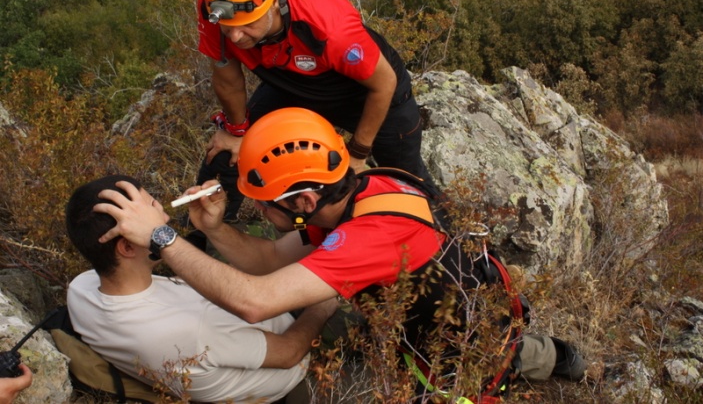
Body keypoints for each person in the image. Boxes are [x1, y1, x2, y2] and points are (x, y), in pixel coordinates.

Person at [94, 109, 586, 401]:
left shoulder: (368, 236)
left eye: (266, 204)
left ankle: (556, 357)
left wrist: (163, 238)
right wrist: (217, 230)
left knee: (501, 359)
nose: (262, 212)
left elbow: (256, 300)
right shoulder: (352, 195)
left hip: (452, 345)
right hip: (418, 319)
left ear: (304, 201)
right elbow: (268, 261)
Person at [194, 0, 437, 223]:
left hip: (369, 96)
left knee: (408, 182)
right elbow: (228, 79)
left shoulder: (327, 26)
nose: (235, 36)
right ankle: (208, 232)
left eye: (247, 24)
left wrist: (358, 154)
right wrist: (236, 131)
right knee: (227, 154)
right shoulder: (215, 11)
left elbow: (383, 84)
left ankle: (453, 241)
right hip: (296, 85)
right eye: (228, 26)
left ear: (273, 1)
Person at [65, 175, 338, 404]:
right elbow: (289, 353)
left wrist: (213, 228)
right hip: (290, 367)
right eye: (151, 215)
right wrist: (321, 306)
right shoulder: (188, 331)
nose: (165, 216)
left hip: (235, 329)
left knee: (265, 245)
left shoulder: (82, 288)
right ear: (127, 246)